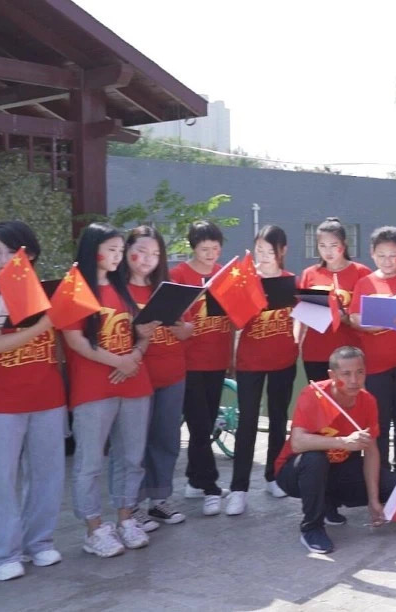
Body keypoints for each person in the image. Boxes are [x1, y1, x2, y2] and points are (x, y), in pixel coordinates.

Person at [0, 222, 67, 581]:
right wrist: (43, 325)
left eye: (11, 252)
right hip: (1, 401)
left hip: (48, 396)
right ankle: (2, 555)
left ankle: (39, 542)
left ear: (31, 254)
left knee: (47, 475)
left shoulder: (48, 292)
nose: (3, 260)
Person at [61, 223, 156, 558]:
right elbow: (76, 341)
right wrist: (119, 361)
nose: (118, 257)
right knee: (90, 462)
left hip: (135, 384)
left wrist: (134, 356)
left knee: (131, 458)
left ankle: (126, 518)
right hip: (93, 389)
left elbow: (144, 334)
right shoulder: (74, 287)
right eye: (111, 250)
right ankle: (94, 528)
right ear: (93, 251)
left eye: (120, 250)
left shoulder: (123, 289)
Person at [274, 346, 395, 554]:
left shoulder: (368, 400)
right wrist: (344, 442)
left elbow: (371, 451)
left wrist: (373, 500)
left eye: (359, 372)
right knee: (315, 459)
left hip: (338, 468)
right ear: (332, 375)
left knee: (394, 486)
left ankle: (329, 502)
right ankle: (312, 527)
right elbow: (297, 443)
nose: (354, 380)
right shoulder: (314, 394)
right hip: (295, 472)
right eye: (346, 374)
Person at [225, 225, 300, 516]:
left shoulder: (291, 281)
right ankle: (239, 489)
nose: (265, 256)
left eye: (270, 251)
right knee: (247, 422)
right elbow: (234, 322)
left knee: (279, 419)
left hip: (283, 359)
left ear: (283, 251)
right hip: (250, 362)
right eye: (260, 250)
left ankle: (273, 476)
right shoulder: (246, 279)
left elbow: (301, 315)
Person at [125, 226, 192, 531]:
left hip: (173, 374)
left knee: (166, 439)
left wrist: (184, 329)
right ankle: (131, 505)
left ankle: (159, 499)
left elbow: (187, 329)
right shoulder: (118, 290)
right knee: (134, 444)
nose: (147, 259)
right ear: (127, 252)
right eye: (141, 251)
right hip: (137, 376)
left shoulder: (168, 288)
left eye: (155, 253)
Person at [349, 226, 396, 474]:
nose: (387, 261)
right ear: (372, 254)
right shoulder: (365, 282)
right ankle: (380, 471)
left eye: (393, 255)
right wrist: (380, 322)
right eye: (381, 255)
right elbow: (354, 318)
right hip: (375, 363)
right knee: (379, 420)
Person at [168, 220, 232, 514]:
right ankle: (210, 487)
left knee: (205, 424)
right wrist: (184, 326)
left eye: (215, 248)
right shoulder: (179, 275)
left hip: (217, 359)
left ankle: (195, 480)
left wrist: (232, 356)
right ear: (193, 247)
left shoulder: (224, 274)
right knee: (199, 424)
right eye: (205, 249)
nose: (211, 254)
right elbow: (170, 317)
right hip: (190, 362)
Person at [297, 217, 371, 383]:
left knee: (350, 396)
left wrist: (345, 317)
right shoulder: (310, 273)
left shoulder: (361, 272)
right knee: (320, 397)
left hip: (351, 352)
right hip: (316, 351)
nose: (328, 251)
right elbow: (302, 316)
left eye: (333, 245)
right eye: (322, 246)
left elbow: (368, 316)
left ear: (344, 245)